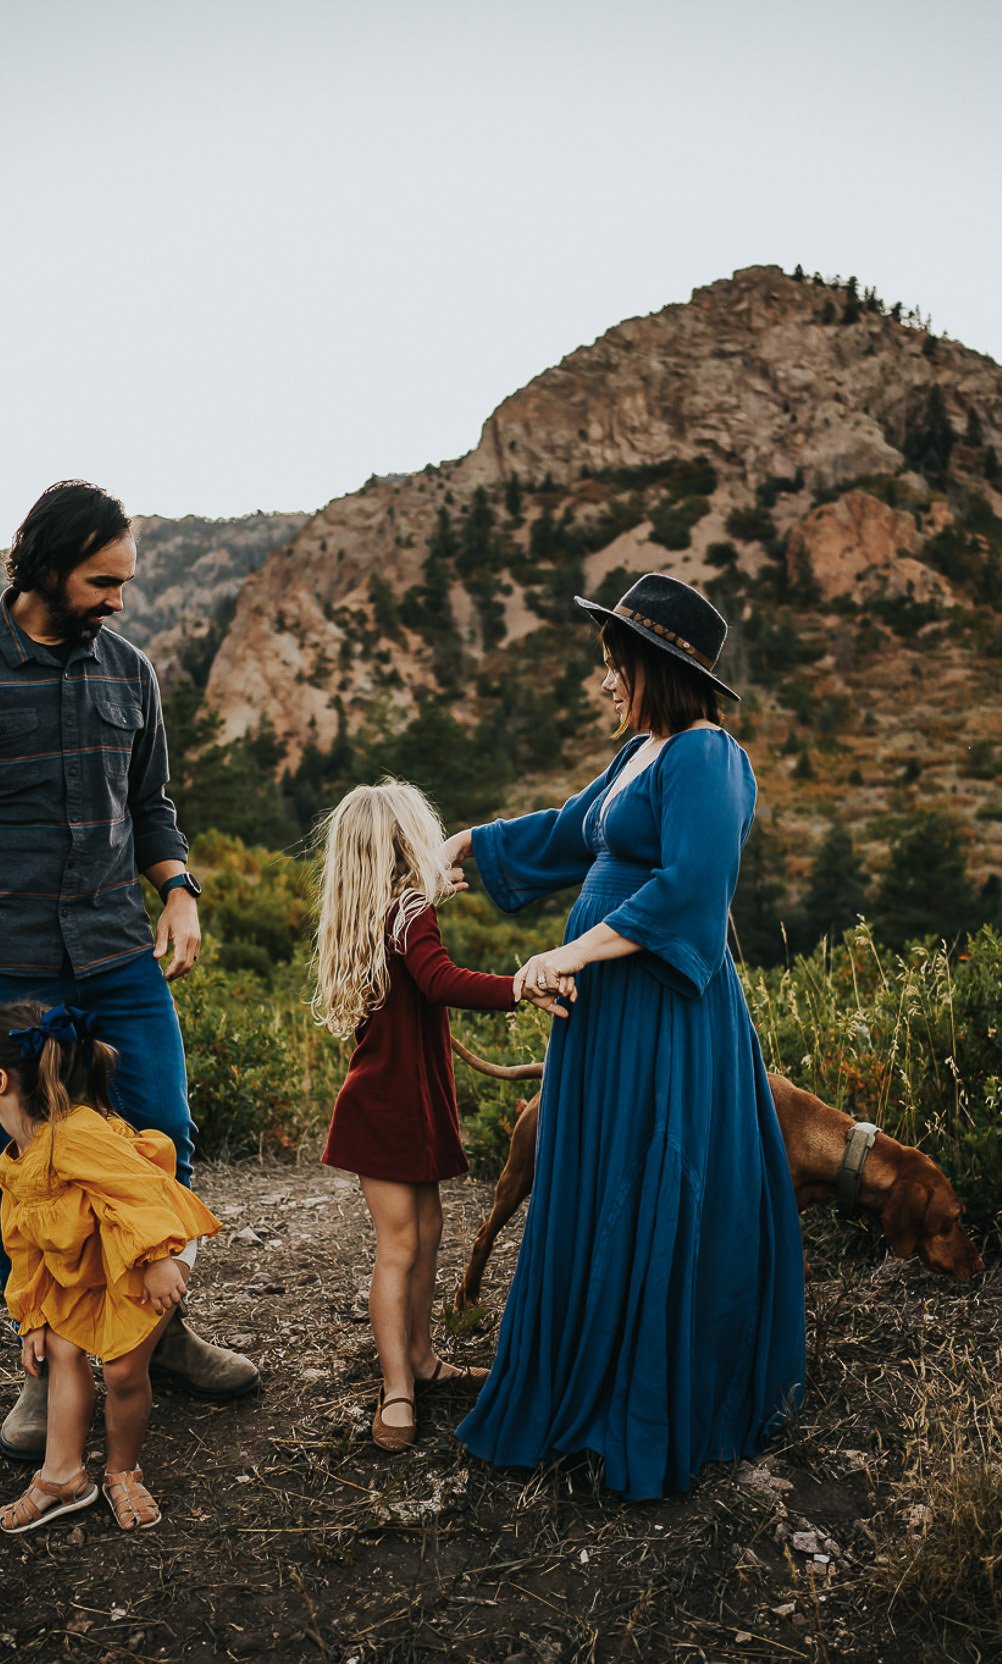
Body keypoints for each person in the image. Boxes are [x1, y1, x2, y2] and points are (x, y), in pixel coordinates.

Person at [0, 479, 259, 1466]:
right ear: (45, 564)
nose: (118, 599)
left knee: (159, 1132)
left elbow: (152, 802)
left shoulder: (128, 671)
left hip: (117, 949)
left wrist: (179, 888)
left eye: (124, 580)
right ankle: (49, 1368)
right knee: (35, 1163)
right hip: (4, 961)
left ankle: (157, 1329)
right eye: (102, 580)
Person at [444, 573, 806, 1500]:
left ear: (657, 668)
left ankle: (644, 1403)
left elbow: (692, 887)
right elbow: (571, 835)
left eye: (616, 665)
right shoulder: (636, 755)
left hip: (666, 1018)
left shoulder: (706, 755)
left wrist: (569, 955)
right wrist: (467, 847)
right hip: (604, 1018)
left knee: (653, 1185)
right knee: (599, 1183)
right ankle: (578, 1381)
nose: (606, 682)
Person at [309, 781, 568, 1451]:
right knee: (399, 1247)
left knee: (425, 1232)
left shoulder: (382, 913)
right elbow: (440, 979)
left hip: (398, 1104)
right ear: (404, 843)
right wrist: (520, 986)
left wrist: (433, 894)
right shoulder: (410, 914)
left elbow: (415, 953)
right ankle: (398, 1387)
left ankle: (422, 1359)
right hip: (390, 1111)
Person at [0, 1002, 220, 1534]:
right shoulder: (14, 1161)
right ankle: (63, 1477)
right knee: (62, 1348)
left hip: (149, 1248)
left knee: (125, 1371)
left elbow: (144, 1191)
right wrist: (33, 1317)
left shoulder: (75, 1135)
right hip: (92, 1263)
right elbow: (25, 1248)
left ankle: (123, 1472)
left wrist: (157, 1260)